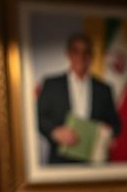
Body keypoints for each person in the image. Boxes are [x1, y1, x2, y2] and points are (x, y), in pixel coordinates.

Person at [37, 32, 120, 163]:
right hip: (60, 162)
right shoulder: (52, 84)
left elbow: (116, 124)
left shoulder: (104, 89)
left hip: (94, 162)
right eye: (76, 51)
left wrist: (108, 132)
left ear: (92, 56)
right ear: (68, 54)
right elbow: (38, 117)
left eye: (86, 52)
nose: (81, 56)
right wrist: (54, 132)